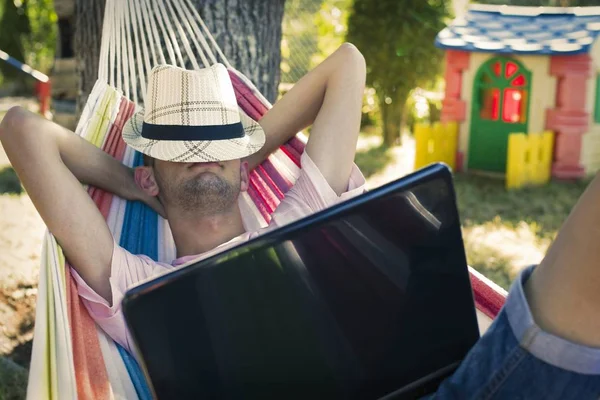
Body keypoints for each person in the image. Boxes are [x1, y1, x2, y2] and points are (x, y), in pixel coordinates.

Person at [1, 43, 600, 398]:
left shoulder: (305, 208)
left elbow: (348, 62)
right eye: (183, 149)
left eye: (218, 140)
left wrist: (244, 152)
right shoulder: (134, 285)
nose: (204, 152)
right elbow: (22, 130)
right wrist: (131, 182)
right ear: (153, 174)